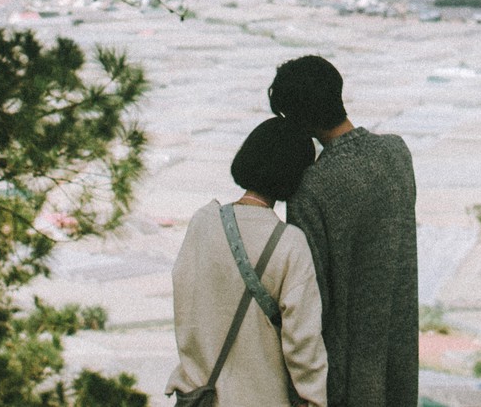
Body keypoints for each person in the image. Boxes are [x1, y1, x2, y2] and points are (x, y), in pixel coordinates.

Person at [269, 56, 418, 407]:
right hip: (398, 354)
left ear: (297, 119)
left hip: (345, 374)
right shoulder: (397, 153)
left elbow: (311, 295)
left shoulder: (311, 188)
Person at [169, 117, 329, 406]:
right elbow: (303, 343)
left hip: (197, 397)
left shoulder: (202, 222)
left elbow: (186, 305)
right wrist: (314, 398)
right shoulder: (289, 243)